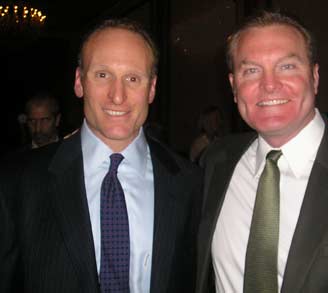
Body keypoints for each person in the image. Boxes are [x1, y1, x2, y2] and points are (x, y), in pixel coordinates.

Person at [196, 11, 328, 293]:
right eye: (251, 70)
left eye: (287, 66)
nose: (269, 85)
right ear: (234, 86)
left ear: (314, 77)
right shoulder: (217, 161)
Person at [1, 18, 201, 293]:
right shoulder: (16, 181)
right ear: (79, 82)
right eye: (103, 75)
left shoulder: (190, 182)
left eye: (132, 78)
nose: (117, 96)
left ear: (152, 89)